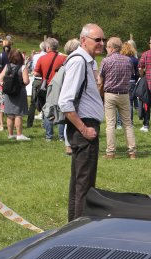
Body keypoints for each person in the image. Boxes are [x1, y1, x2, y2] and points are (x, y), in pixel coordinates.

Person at [58, 23, 105, 221]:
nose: (101, 43)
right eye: (97, 40)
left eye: (103, 40)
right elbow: (65, 101)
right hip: (84, 126)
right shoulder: (78, 61)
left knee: (79, 182)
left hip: (85, 125)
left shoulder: (87, 61)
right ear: (84, 40)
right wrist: (84, 129)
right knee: (84, 185)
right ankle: (79, 229)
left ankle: (73, 225)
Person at [99, 37, 136, 159]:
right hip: (124, 94)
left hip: (110, 94)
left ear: (111, 48)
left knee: (110, 124)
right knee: (128, 124)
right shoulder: (128, 60)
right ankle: (132, 151)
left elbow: (100, 80)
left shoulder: (106, 61)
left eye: (107, 47)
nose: (106, 49)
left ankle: (111, 152)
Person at [35, 38, 67, 141]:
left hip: (48, 87)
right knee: (61, 110)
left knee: (47, 110)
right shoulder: (63, 59)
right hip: (61, 87)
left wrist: (44, 75)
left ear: (47, 47)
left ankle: (49, 136)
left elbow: (36, 73)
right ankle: (62, 136)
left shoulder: (42, 58)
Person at [0, 49, 30, 140]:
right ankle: (19, 135)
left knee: (10, 115)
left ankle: (10, 134)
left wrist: (5, 85)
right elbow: (26, 81)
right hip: (19, 92)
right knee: (18, 114)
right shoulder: (23, 67)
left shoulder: (7, 66)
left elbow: (0, 79)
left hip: (8, 93)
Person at [26, 41, 46, 128]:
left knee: (33, 102)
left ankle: (29, 123)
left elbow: (32, 68)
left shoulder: (36, 56)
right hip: (44, 81)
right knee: (45, 102)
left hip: (36, 80)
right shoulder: (47, 56)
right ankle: (45, 123)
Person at [120, 40, 139, 127]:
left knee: (120, 104)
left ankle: (120, 123)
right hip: (131, 82)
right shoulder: (135, 60)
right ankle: (130, 123)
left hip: (122, 82)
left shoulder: (120, 59)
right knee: (130, 103)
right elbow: (137, 73)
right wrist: (135, 80)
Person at [0, 40, 11, 131]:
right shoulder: (13, 54)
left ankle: (1, 124)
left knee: (1, 102)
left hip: (1, 80)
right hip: (11, 81)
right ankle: (10, 123)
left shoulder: (0, 55)